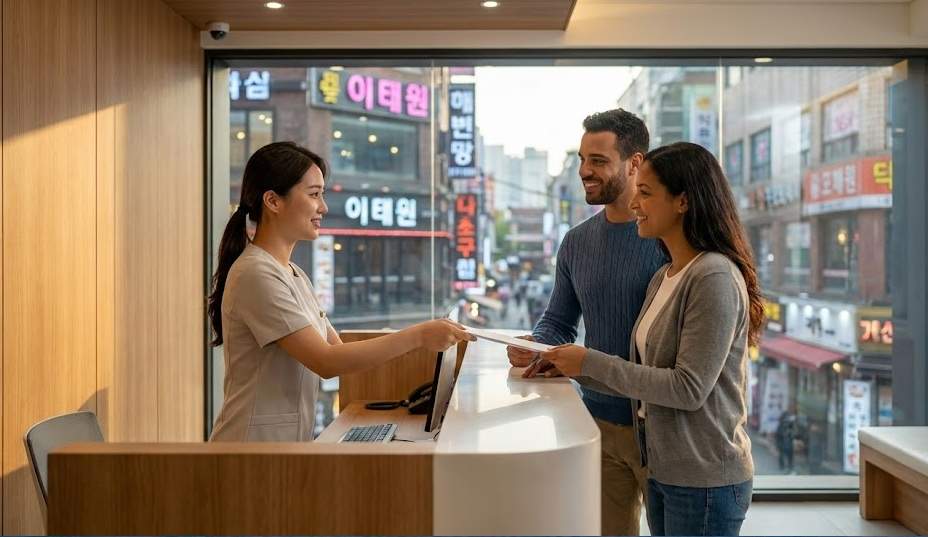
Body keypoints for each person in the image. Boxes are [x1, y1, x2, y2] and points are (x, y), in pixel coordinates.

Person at [542, 142, 762, 536]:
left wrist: (587, 362)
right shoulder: (666, 275)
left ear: (682, 202)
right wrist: (562, 365)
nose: (635, 204)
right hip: (663, 468)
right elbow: (644, 373)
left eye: (645, 194)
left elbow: (687, 388)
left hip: (704, 479)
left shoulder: (712, 276)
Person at [208, 141, 473, 442]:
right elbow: (327, 361)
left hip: (279, 448)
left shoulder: (294, 274)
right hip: (248, 451)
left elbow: (338, 348)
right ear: (273, 201)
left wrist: (418, 337)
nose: (324, 207)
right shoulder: (256, 273)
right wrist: (418, 336)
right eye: (314, 195)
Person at [506, 109, 667, 536]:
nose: (584, 171)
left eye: (598, 160)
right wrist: (536, 346)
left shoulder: (667, 238)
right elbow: (559, 320)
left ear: (635, 163)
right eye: (581, 159)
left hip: (662, 427)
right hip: (596, 422)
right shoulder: (576, 242)